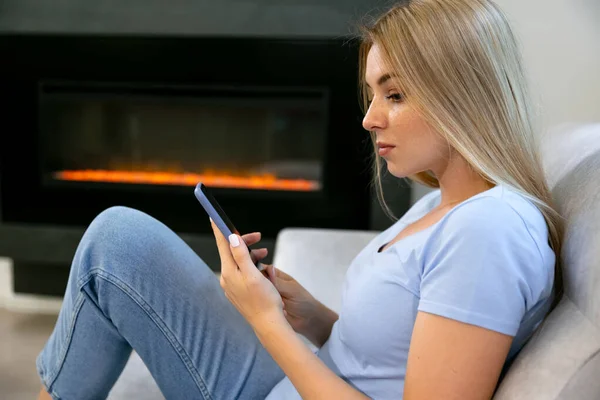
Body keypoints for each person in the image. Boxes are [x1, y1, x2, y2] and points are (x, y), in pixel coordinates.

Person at [37, 0, 564, 399]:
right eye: (372, 93)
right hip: (295, 382)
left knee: (115, 244)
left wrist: (264, 319)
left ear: (464, 92)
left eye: (395, 94)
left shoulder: (489, 230)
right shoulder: (445, 202)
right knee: (120, 241)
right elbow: (392, 358)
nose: (370, 117)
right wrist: (310, 316)